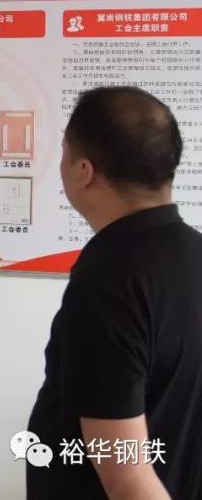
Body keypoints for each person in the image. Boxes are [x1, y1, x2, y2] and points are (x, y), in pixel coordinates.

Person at [28, 86, 202, 499]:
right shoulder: (194, 253)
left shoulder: (109, 283)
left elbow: (127, 477)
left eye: (64, 152)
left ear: (83, 171)